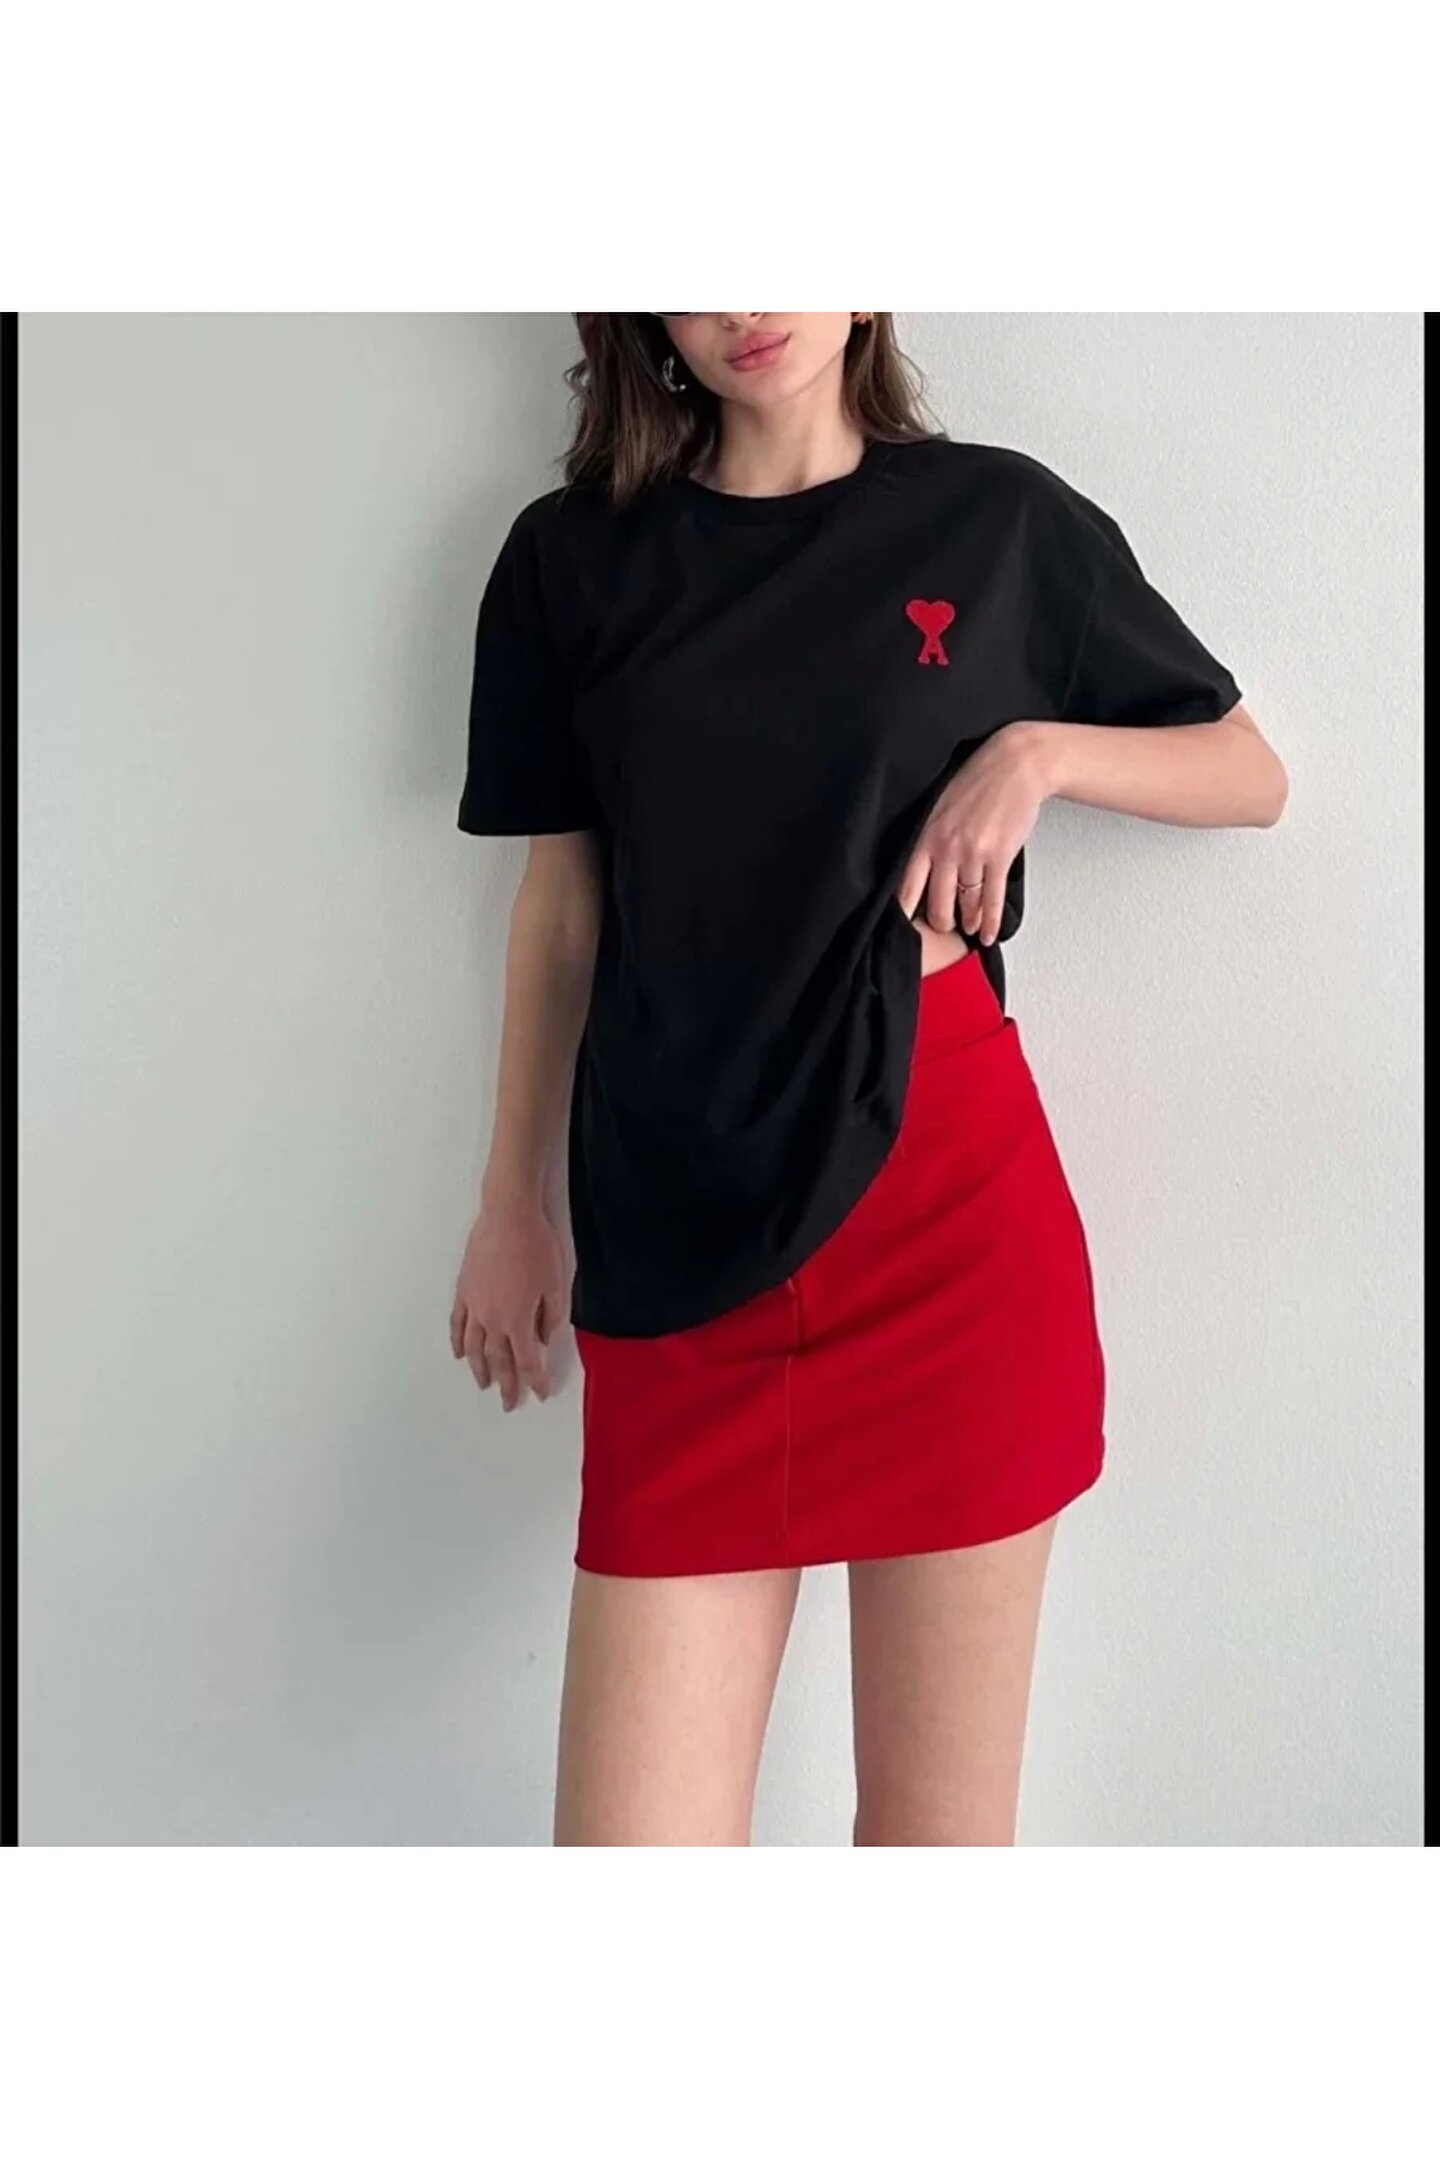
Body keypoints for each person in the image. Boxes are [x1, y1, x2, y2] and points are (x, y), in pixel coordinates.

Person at [450, 312, 1288, 1846]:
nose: (746, 299)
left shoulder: (996, 521)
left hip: (945, 1230)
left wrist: (1037, 753)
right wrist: (515, 1201)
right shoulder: (569, 561)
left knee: (936, 1854)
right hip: (674, 1240)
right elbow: (562, 905)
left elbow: (1248, 772)